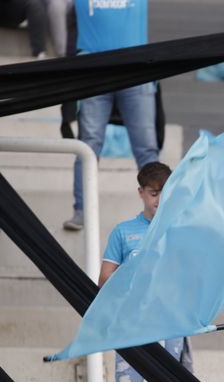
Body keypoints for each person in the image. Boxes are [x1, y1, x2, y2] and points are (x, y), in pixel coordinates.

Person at [100, 162, 181, 382]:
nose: (159, 199)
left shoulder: (180, 232)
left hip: (169, 326)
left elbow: (191, 281)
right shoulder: (123, 231)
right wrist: (135, 274)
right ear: (141, 193)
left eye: (165, 192)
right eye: (153, 193)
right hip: (130, 327)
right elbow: (104, 280)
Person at [64, 0, 159, 231]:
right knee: (89, 144)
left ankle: (159, 211)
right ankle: (81, 210)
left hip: (136, 69)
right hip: (95, 69)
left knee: (146, 147)